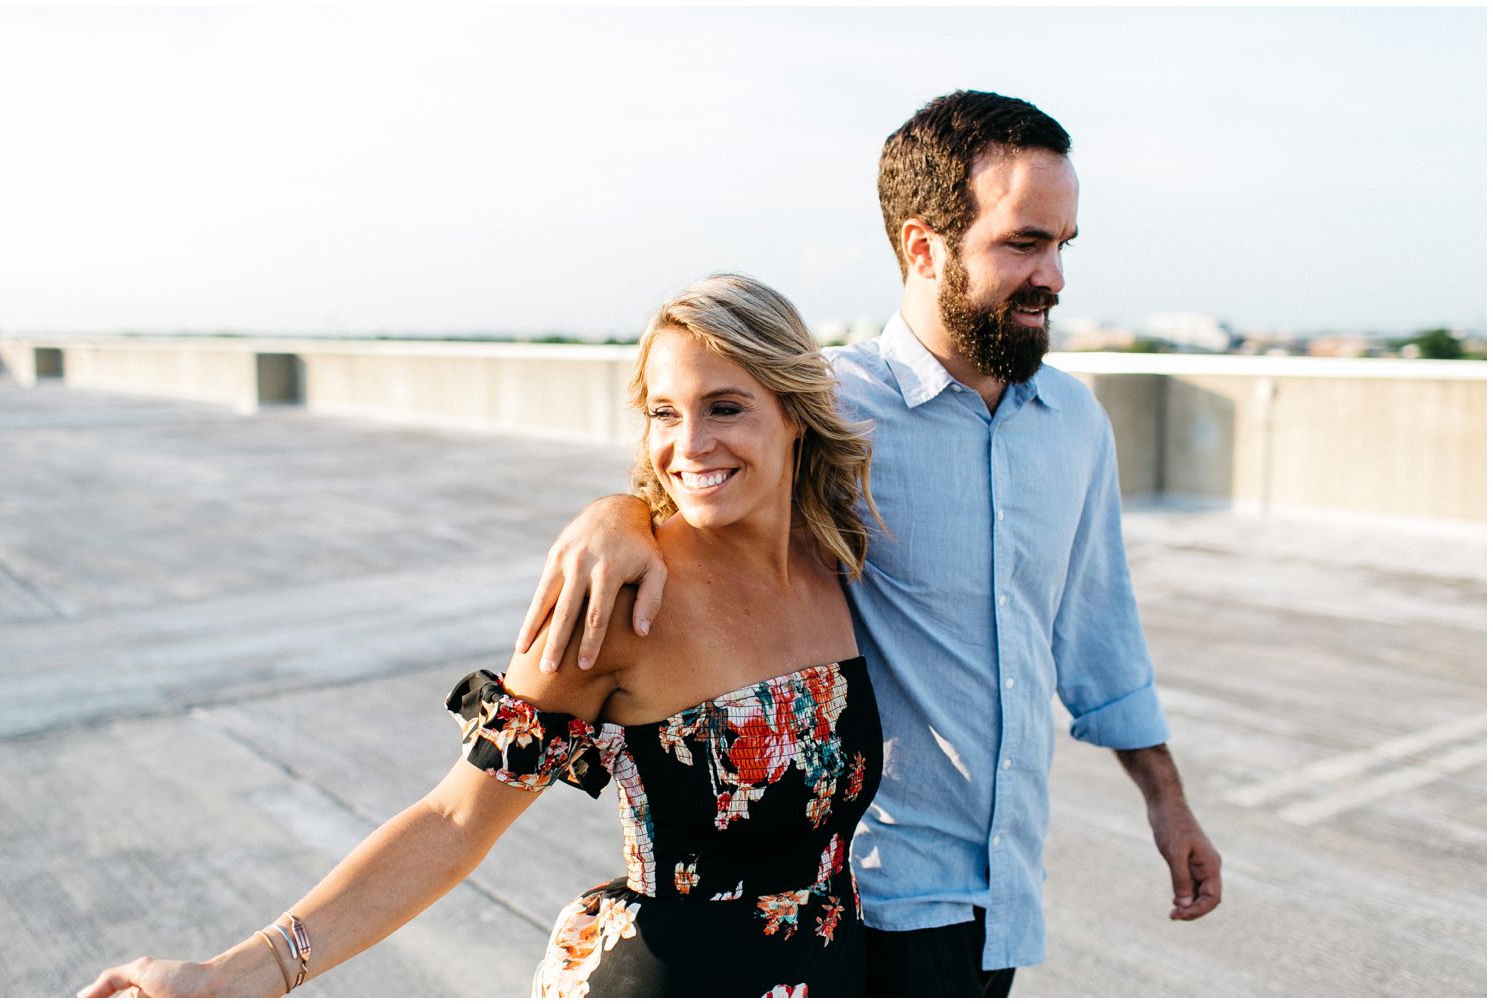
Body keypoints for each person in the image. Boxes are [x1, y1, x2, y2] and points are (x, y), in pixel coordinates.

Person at [517, 91, 1222, 998]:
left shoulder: (1075, 425)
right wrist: (614, 512)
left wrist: (1168, 802)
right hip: (858, 905)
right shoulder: (829, 413)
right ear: (924, 248)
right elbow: (695, 478)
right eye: (1023, 243)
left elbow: (1096, 630)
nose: (1053, 275)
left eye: (1062, 244)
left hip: (1000, 898)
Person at [78, 274, 885, 999]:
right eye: (664, 414)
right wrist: (232, 976)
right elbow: (455, 820)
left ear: (795, 412)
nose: (690, 445)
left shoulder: (834, 561)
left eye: (726, 407)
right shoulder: (618, 605)